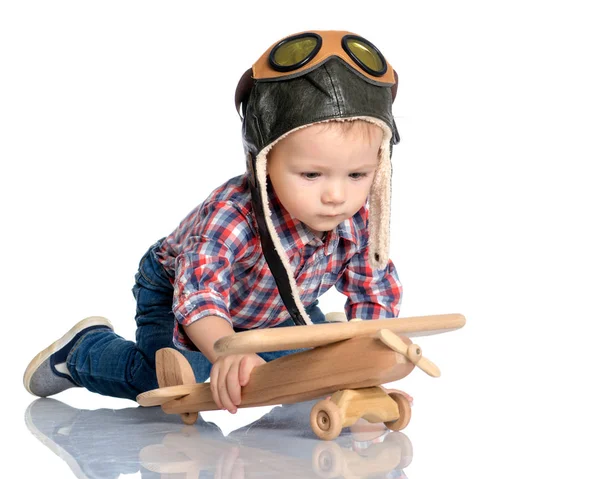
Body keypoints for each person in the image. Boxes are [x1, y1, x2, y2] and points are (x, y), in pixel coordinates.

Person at [24, 30, 405, 414]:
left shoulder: (356, 221)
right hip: (182, 299)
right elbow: (199, 294)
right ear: (263, 161)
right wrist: (228, 352)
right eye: (311, 175)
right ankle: (83, 351)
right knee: (171, 384)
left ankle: (320, 336)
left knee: (315, 368)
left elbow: (375, 292)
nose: (336, 196)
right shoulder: (233, 214)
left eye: (357, 175)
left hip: (275, 312)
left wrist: (365, 365)